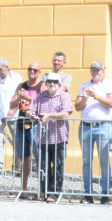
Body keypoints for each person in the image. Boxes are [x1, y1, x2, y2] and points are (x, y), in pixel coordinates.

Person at [74, 61, 112, 204]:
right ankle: (88, 194)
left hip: (103, 126)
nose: (95, 72)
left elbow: (111, 103)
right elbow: (77, 107)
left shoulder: (109, 84)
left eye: (98, 70)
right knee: (86, 161)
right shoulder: (84, 85)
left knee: (104, 161)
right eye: (93, 70)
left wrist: (96, 96)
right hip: (86, 126)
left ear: (102, 71)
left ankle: (105, 194)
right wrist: (85, 97)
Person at [29, 73, 74, 203]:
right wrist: (30, 114)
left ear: (59, 84)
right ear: (46, 83)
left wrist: (49, 115)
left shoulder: (64, 96)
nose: (51, 84)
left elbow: (66, 113)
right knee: (44, 167)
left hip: (59, 137)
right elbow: (30, 109)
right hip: (43, 137)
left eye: (54, 81)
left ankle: (55, 193)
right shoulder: (40, 96)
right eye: (49, 81)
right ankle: (46, 192)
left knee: (58, 166)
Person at [10, 62, 44, 196]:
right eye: (30, 69)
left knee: (38, 157)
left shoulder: (42, 86)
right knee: (24, 157)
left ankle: (41, 190)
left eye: (35, 70)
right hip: (21, 123)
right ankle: (24, 189)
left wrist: (27, 98)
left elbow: (43, 104)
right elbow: (12, 104)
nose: (32, 72)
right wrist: (19, 97)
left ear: (39, 72)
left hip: (35, 124)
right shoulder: (21, 85)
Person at [0, 57, 22, 174]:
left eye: (0, 69)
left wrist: (13, 110)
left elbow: (20, 96)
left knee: (17, 140)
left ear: (7, 67)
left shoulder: (17, 78)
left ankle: (16, 165)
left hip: (14, 113)